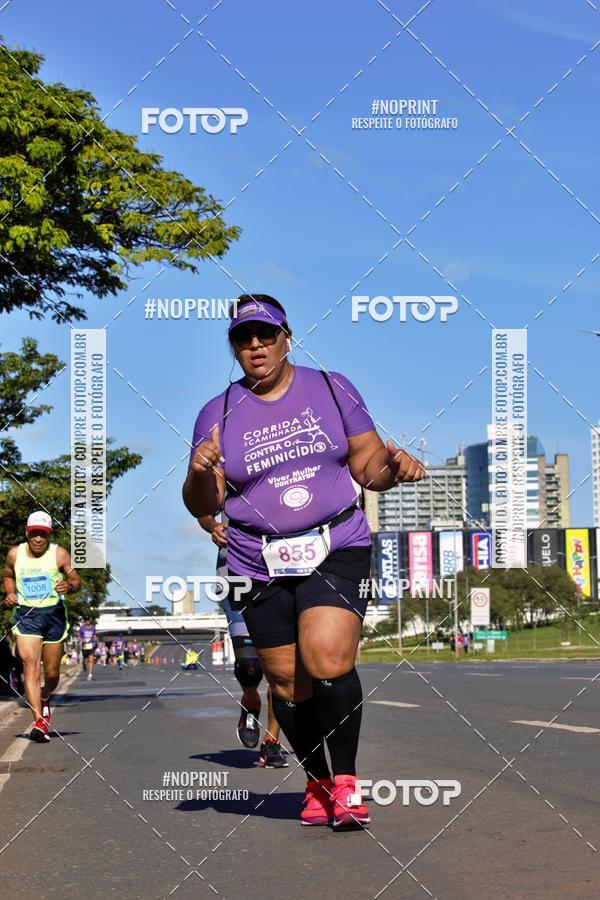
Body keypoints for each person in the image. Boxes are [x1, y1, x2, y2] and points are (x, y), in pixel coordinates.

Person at [183, 294, 425, 826]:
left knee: (327, 656)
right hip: (255, 561)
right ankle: (316, 782)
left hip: (336, 544)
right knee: (287, 684)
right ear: (234, 347)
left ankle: (346, 783)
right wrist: (199, 471)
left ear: (287, 338)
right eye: (242, 338)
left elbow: (368, 466)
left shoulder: (332, 389)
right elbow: (204, 502)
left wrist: (393, 467)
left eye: (265, 334)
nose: (255, 345)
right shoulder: (217, 413)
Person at [198, 513, 287, 768]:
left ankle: (271, 742)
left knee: (280, 671)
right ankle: (250, 701)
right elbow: (202, 510)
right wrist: (213, 526)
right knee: (250, 667)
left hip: (284, 572)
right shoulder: (229, 484)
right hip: (236, 576)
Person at [2, 511, 80, 742]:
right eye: (34, 533)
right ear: (27, 532)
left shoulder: (59, 554)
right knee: (30, 665)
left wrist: (69, 586)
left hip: (53, 615)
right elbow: (8, 575)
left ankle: (45, 695)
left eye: (43, 534)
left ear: (49, 535)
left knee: (52, 673)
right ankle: (39, 722)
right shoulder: (15, 554)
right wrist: (10, 593)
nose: (38, 539)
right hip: (26, 615)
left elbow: (76, 580)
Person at [77, 616, 97, 681]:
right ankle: (84, 663)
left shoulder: (93, 627)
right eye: (86, 620)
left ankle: (90, 674)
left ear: (90, 620)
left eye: (88, 620)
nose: (87, 621)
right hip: (84, 646)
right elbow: (78, 637)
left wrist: (95, 640)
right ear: (85, 621)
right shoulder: (82, 627)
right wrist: (83, 640)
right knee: (85, 661)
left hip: (91, 645)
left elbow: (94, 635)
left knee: (91, 660)